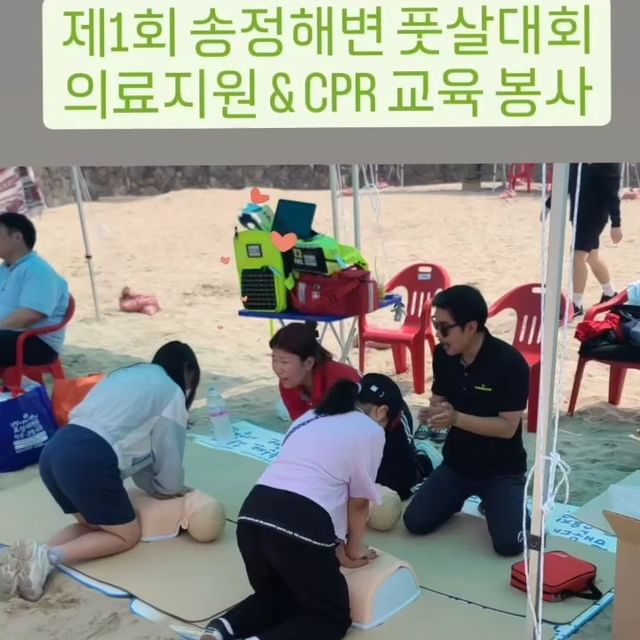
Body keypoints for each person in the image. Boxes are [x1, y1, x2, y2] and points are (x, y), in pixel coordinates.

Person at [200, 374, 403, 640]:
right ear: (382, 412)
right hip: (300, 522)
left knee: (278, 597)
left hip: (252, 514)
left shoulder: (310, 417)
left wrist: (335, 548)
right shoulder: (371, 430)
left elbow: (313, 481)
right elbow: (359, 501)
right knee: (330, 618)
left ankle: (218, 631)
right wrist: (352, 551)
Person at [0, 341, 200, 602]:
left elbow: (136, 445)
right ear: (187, 368)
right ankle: (49, 557)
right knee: (125, 536)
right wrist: (167, 489)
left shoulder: (128, 374)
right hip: (89, 457)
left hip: (56, 449)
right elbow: (167, 448)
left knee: (94, 525)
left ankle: (32, 556)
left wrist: (152, 486)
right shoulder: (171, 391)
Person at [403, 285, 530, 557]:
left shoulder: (510, 364)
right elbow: (439, 400)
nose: (439, 334)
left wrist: (456, 418)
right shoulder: (443, 355)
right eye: (435, 325)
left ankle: (507, 502)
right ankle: (459, 499)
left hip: (501, 470)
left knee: (510, 545)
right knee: (415, 523)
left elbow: (507, 428)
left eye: (445, 328)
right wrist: (435, 413)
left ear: (471, 327)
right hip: (457, 465)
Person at [270, 322, 434, 500]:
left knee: (395, 490)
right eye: (274, 359)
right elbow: (304, 430)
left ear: (308, 363)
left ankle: (424, 458)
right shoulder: (288, 383)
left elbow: (355, 428)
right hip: (349, 433)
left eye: (284, 362)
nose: (278, 368)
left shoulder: (338, 380)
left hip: (387, 422)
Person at [546, 163, 623, 316]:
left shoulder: (608, 163)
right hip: (578, 216)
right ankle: (610, 293)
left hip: (595, 216)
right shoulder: (575, 163)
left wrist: (616, 223)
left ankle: (576, 304)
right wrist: (548, 205)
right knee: (592, 258)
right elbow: (565, 184)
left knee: (578, 256)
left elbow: (613, 194)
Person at [0, 212, 70, 367]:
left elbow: (31, 315)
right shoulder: (4, 269)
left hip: (36, 341)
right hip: (10, 334)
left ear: (17, 237)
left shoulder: (37, 270)